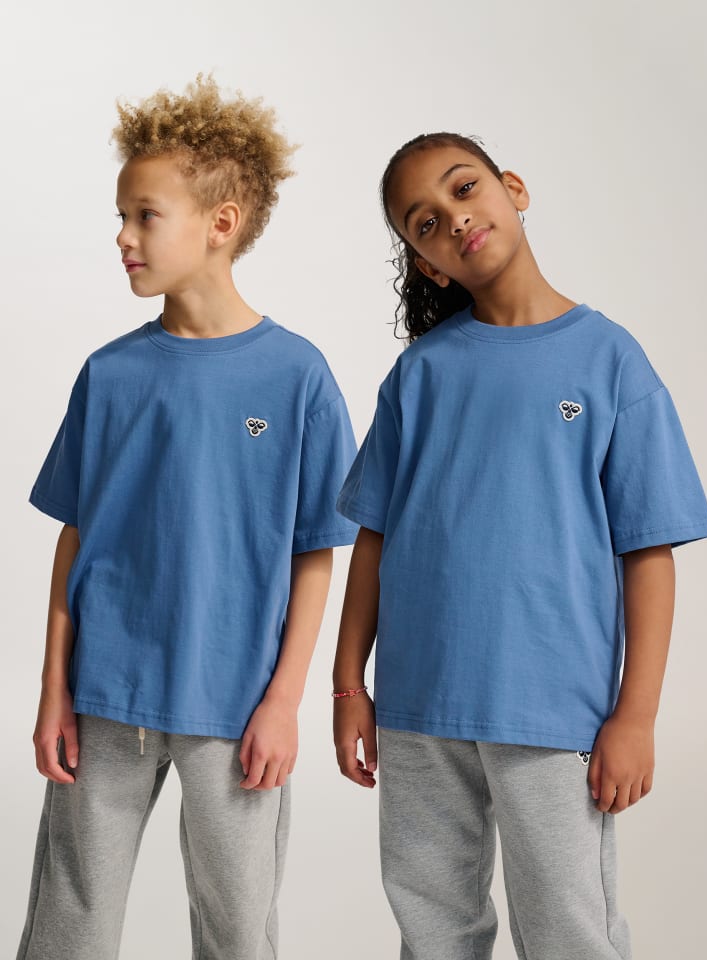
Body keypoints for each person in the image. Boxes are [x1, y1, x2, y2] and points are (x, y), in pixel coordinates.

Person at [332, 132, 707, 960]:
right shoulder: (420, 375)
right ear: (428, 265)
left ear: (514, 188)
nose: (454, 219)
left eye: (464, 189)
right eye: (425, 223)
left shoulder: (609, 359)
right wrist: (348, 684)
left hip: (550, 709)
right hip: (417, 708)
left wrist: (637, 715)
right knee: (432, 928)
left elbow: (649, 552)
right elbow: (373, 536)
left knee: (568, 931)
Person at [18, 76, 357, 960]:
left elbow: (315, 551)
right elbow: (75, 537)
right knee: (70, 922)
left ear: (221, 223)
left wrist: (284, 701)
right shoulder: (109, 375)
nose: (123, 238)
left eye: (144, 216)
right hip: (106, 695)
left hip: (235, 703)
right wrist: (54, 688)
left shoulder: (297, 377)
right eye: (120, 217)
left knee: (237, 927)